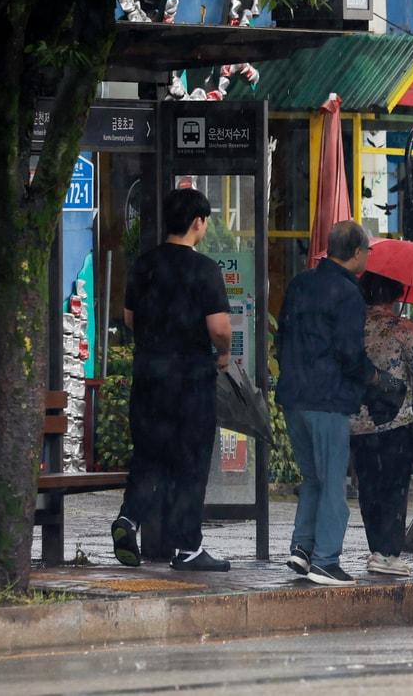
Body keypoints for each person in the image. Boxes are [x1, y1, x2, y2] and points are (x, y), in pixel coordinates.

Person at [111, 188, 233, 572]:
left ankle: (129, 519)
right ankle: (187, 547)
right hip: (190, 381)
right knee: (190, 463)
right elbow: (219, 329)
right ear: (198, 223)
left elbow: (129, 318)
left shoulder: (143, 265)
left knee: (149, 456)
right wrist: (225, 353)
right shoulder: (205, 270)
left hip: (148, 378)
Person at [277, 220, 376, 586]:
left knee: (313, 478)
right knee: (333, 482)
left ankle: (302, 550)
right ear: (355, 253)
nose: (368, 255)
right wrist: (374, 379)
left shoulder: (300, 283)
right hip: (329, 398)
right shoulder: (349, 293)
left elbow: (282, 336)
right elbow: (350, 353)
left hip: (294, 398)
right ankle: (325, 560)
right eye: (367, 250)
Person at [350, 273, 413, 577]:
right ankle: (390, 553)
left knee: (368, 486)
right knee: (395, 486)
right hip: (396, 421)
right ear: (395, 294)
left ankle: (375, 550)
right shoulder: (403, 328)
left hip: (358, 421)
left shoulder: (352, 326)